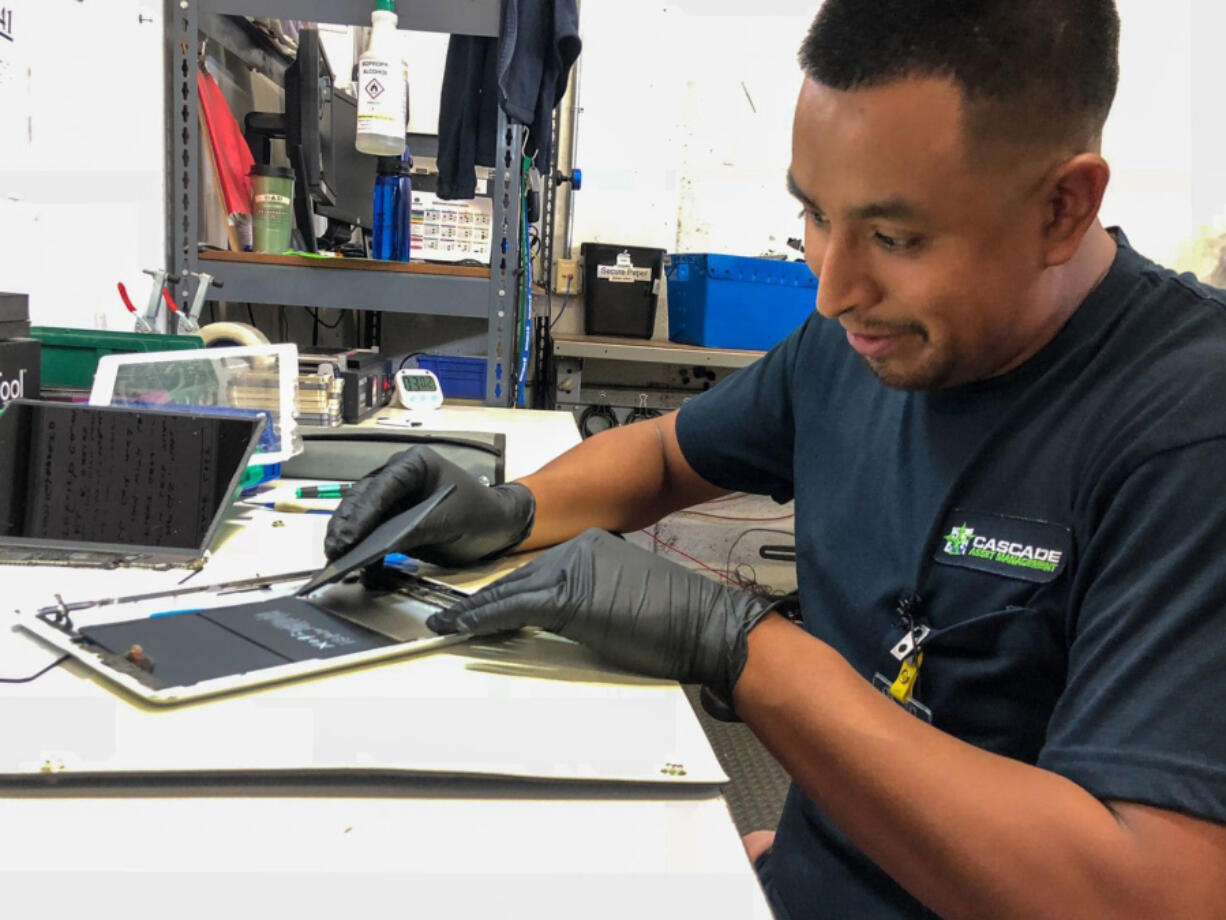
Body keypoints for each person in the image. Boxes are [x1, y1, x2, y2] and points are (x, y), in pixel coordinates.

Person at [326, 1, 1226, 915]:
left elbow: (1147, 895)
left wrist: (750, 653)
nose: (832, 289)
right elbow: (669, 457)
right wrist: (510, 509)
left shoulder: (1188, 431)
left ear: (1064, 208)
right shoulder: (863, 343)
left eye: (896, 238)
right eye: (815, 215)